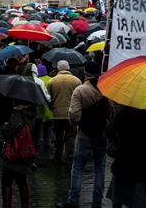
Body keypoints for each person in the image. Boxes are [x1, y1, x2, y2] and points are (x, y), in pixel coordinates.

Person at [56, 61, 109, 208]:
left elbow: (74, 114)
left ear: (85, 73)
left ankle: (73, 201)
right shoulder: (106, 89)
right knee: (100, 168)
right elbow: (111, 113)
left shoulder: (80, 90)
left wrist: (75, 125)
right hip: (101, 134)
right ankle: (97, 202)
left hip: (84, 134)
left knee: (78, 166)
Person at [106, 106, 146, 208]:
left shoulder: (123, 114)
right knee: (140, 200)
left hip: (123, 161)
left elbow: (110, 132)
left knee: (118, 196)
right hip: (144, 165)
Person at [0, 100, 37, 208]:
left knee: (6, 182)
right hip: (25, 154)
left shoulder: (16, 116)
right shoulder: (32, 115)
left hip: (12, 155)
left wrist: (5, 127)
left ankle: (7, 205)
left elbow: (8, 134)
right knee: (22, 181)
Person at [46, 60, 81, 163]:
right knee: (70, 136)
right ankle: (68, 156)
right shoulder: (76, 80)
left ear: (57, 68)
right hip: (71, 114)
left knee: (57, 136)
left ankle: (57, 156)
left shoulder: (52, 81)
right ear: (68, 68)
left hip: (56, 114)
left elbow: (48, 98)